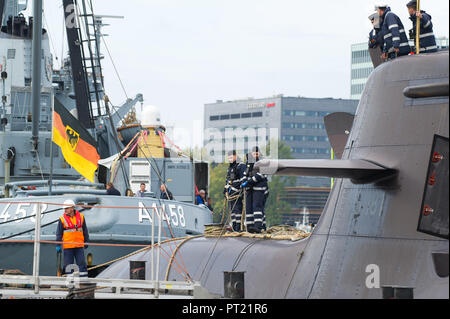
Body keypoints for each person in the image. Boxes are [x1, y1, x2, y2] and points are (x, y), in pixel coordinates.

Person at [56, 199, 89, 277]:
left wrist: (86, 241)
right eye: (65, 209)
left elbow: (85, 230)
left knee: (82, 264)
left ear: (72, 208)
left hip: (79, 246)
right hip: (68, 247)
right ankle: (70, 285)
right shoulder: (62, 219)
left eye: (66, 208)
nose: (65, 210)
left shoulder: (81, 217)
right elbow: (59, 234)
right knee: (69, 266)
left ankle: (83, 282)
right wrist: (58, 245)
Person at [241, 146, 268, 234]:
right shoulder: (249, 163)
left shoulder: (263, 163)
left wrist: (249, 182)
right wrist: (244, 182)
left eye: (257, 153)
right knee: (249, 208)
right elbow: (245, 174)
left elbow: (261, 175)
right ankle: (249, 227)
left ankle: (258, 227)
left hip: (259, 188)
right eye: (254, 153)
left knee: (257, 207)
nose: (255, 155)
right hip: (250, 189)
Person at [224, 150, 246, 232]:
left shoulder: (241, 165)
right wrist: (225, 190)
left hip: (237, 191)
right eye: (228, 158)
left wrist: (240, 188)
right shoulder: (230, 168)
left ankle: (238, 227)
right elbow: (228, 180)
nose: (230, 159)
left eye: (231, 157)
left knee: (237, 209)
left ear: (235, 156)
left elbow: (242, 179)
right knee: (232, 210)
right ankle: (234, 226)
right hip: (230, 192)